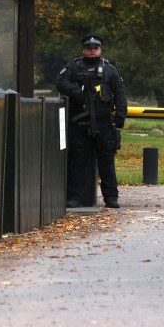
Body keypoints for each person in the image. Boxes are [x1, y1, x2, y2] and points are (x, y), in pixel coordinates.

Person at [56, 34, 128, 209]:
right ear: (84, 49)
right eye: (89, 48)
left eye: (95, 49)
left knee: (106, 161)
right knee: (78, 161)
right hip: (80, 122)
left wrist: (120, 116)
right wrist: (78, 93)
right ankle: (75, 198)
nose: (92, 52)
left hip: (104, 122)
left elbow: (120, 93)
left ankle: (111, 197)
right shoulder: (74, 66)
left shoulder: (109, 69)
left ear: (100, 50)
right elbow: (61, 82)